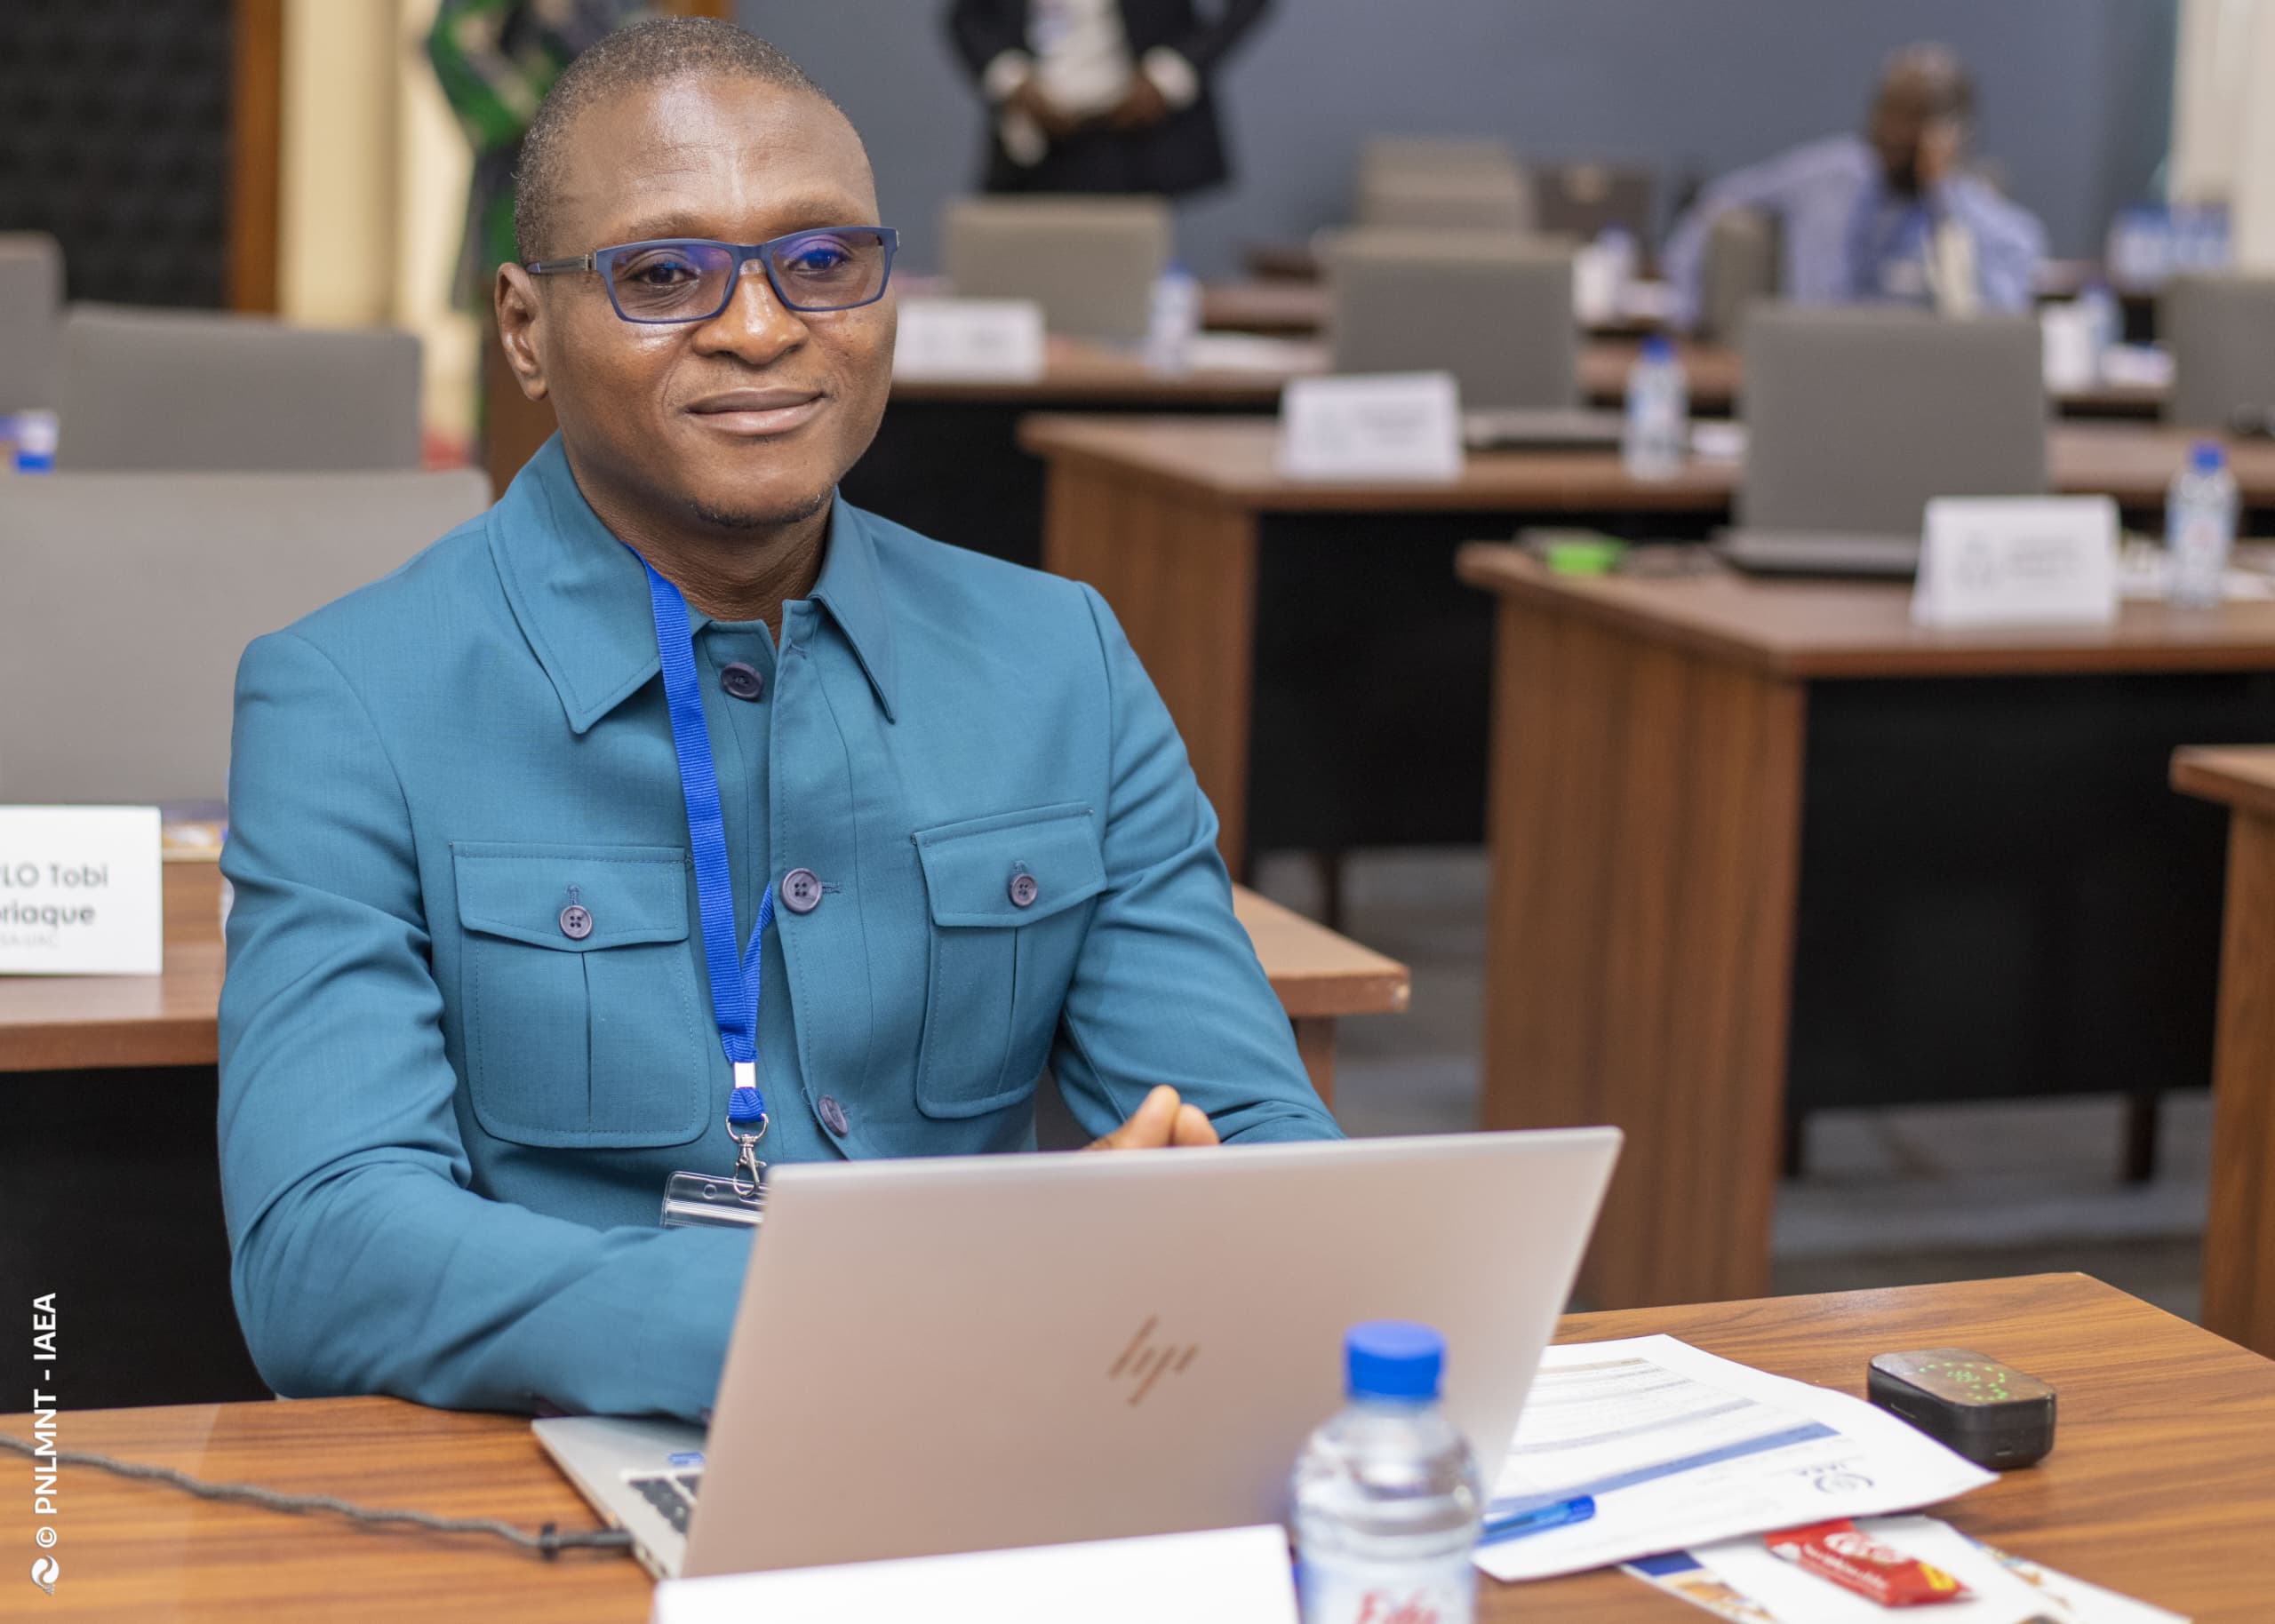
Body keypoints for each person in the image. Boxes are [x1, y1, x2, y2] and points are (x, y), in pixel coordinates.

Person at [217, 17, 1338, 1426]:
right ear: (523, 328)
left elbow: (1261, 1142)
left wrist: (1196, 1227)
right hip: (582, 1469)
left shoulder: (1062, 660)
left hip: (999, 1440)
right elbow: (324, 1254)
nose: (759, 329)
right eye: (662, 276)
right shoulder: (349, 698)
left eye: (821, 262)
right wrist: (898, 1308)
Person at [1663, 43, 2047, 327]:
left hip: (1926, 382)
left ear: (1957, 134)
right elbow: (1717, 201)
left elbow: (1996, 324)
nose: (1894, 131)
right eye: (1888, 110)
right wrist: (1685, 310)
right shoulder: (1825, 176)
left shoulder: (1991, 228)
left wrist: (1942, 200)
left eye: (1916, 117)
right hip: (1816, 366)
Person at [946, 0, 1269, 195]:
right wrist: (1012, 81)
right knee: (1021, 270)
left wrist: (1172, 73)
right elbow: (965, 17)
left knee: (1127, 273)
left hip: (1135, 134)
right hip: (1033, 139)